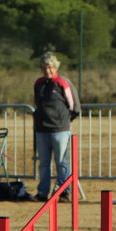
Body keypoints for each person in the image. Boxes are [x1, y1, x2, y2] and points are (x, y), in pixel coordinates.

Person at [33, 51, 80, 202]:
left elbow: (74, 106)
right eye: (45, 67)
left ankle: (64, 192)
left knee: (62, 162)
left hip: (60, 130)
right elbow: (37, 103)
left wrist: (64, 121)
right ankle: (42, 193)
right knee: (44, 164)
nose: (48, 70)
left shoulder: (63, 82)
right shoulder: (38, 84)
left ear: (55, 67)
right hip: (42, 130)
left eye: (50, 67)